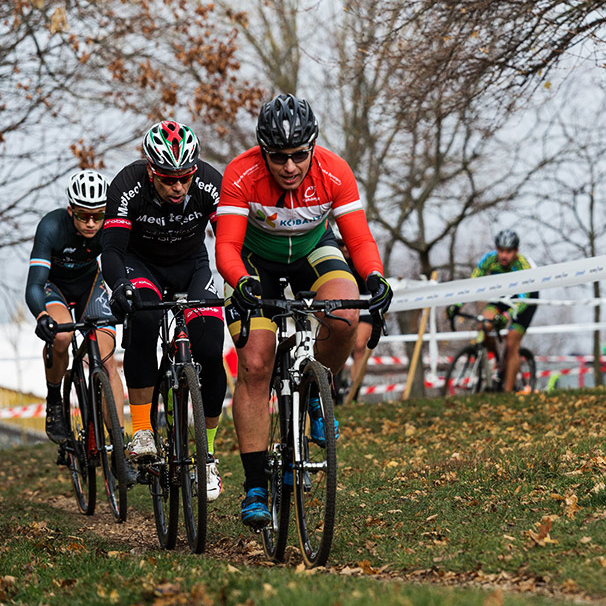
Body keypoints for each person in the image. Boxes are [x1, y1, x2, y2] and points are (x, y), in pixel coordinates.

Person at [215, 93, 393, 529]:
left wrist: (374, 276)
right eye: (279, 157)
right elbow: (226, 246)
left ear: (312, 147)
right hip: (255, 263)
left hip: (314, 250)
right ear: (263, 151)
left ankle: (317, 392)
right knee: (255, 363)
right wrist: (241, 282)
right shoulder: (242, 173)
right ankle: (256, 485)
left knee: (345, 315)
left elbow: (359, 240)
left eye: (299, 155)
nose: (290, 166)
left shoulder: (334, 171)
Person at [101, 120, 226, 502]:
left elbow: (232, 239)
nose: (178, 186)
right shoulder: (128, 183)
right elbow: (112, 249)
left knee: (209, 346)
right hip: (143, 266)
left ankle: (207, 454)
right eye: (168, 178)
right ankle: (142, 429)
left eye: (184, 178)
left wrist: (242, 281)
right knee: (145, 316)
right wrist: (120, 286)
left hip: (191, 266)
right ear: (151, 171)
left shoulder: (209, 182)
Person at [25, 170, 131, 478]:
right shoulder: (51, 226)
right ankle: (54, 397)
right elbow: (35, 283)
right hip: (53, 287)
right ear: (71, 210)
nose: (91, 224)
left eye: (98, 216)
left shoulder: (107, 228)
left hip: (89, 285)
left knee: (107, 360)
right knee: (60, 338)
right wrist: (41, 316)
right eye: (84, 215)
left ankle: (119, 450)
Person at [447, 228, 538, 392]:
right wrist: (458, 304)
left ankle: (506, 392)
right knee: (484, 323)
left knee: (511, 342)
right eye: (501, 251)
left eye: (508, 252)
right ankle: (497, 362)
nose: (504, 256)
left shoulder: (523, 265)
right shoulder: (489, 259)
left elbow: (523, 299)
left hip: (525, 299)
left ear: (516, 251)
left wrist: (506, 316)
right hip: (503, 294)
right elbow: (471, 285)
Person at [334, 237, 374, 403]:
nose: (344, 248)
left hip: (364, 302)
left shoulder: (360, 257)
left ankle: (355, 390)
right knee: (340, 346)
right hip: (342, 303)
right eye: (341, 245)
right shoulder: (334, 258)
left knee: (359, 346)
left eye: (347, 244)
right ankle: (336, 386)